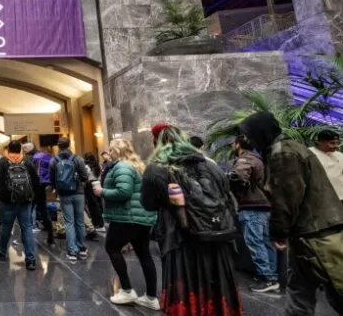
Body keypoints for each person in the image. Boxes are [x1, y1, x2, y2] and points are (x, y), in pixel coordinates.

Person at [240, 112, 343, 314]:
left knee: (334, 292)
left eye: (249, 135)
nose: (248, 140)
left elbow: (285, 199)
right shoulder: (287, 149)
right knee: (300, 294)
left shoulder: (283, 153)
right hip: (311, 233)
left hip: (317, 236)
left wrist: (278, 232)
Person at [141, 126, 242, 316]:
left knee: (187, 290)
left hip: (180, 237)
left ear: (157, 143)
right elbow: (227, 194)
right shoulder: (210, 164)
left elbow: (148, 204)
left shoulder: (156, 169)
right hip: (217, 234)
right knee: (218, 285)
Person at [95, 138, 158, 309]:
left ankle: (127, 290)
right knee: (144, 254)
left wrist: (102, 191)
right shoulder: (136, 165)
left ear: (117, 151)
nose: (109, 153)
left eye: (111, 150)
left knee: (112, 247)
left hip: (127, 216)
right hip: (141, 217)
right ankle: (151, 297)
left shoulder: (122, 167)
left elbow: (124, 192)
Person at [229, 135, 278, 293]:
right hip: (263, 206)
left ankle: (266, 277)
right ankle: (271, 275)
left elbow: (238, 176)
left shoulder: (246, 159)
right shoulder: (258, 158)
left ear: (238, 145)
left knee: (255, 242)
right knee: (264, 242)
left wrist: (230, 183)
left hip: (252, 206)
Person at [0, 140, 39, 270]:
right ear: (20, 149)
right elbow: (35, 180)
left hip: (8, 201)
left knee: (6, 227)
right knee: (27, 228)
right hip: (25, 201)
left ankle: (1, 251)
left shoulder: (3, 161)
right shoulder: (26, 161)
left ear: (8, 150)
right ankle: (30, 259)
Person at [50, 137, 92, 261]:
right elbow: (85, 176)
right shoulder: (77, 159)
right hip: (78, 192)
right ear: (69, 145)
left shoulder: (54, 160)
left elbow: (52, 180)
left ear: (58, 146)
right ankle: (81, 248)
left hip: (64, 194)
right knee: (79, 221)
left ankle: (72, 251)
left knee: (69, 222)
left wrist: (56, 187)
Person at [25, 142, 55, 246]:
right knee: (44, 212)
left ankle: (26, 238)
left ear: (31, 147)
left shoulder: (29, 158)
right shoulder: (43, 156)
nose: (24, 149)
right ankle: (51, 237)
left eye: (26, 147)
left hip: (32, 189)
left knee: (27, 212)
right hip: (41, 187)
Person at [309, 129, 343, 204]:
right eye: (332, 143)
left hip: (340, 197)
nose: (336, 146)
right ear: (320, 142)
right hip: (321, 198)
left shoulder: (340, 155)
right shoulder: (309, 154)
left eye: (337, 143)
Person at [83, 152, 105, 231]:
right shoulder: (97, 166)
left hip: (89, 185)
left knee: (92, 205)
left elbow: (85, 177)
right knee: (97, 204)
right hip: (97, 184)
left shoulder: (86, 167)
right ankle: (99, 222)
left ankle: (98, 224)